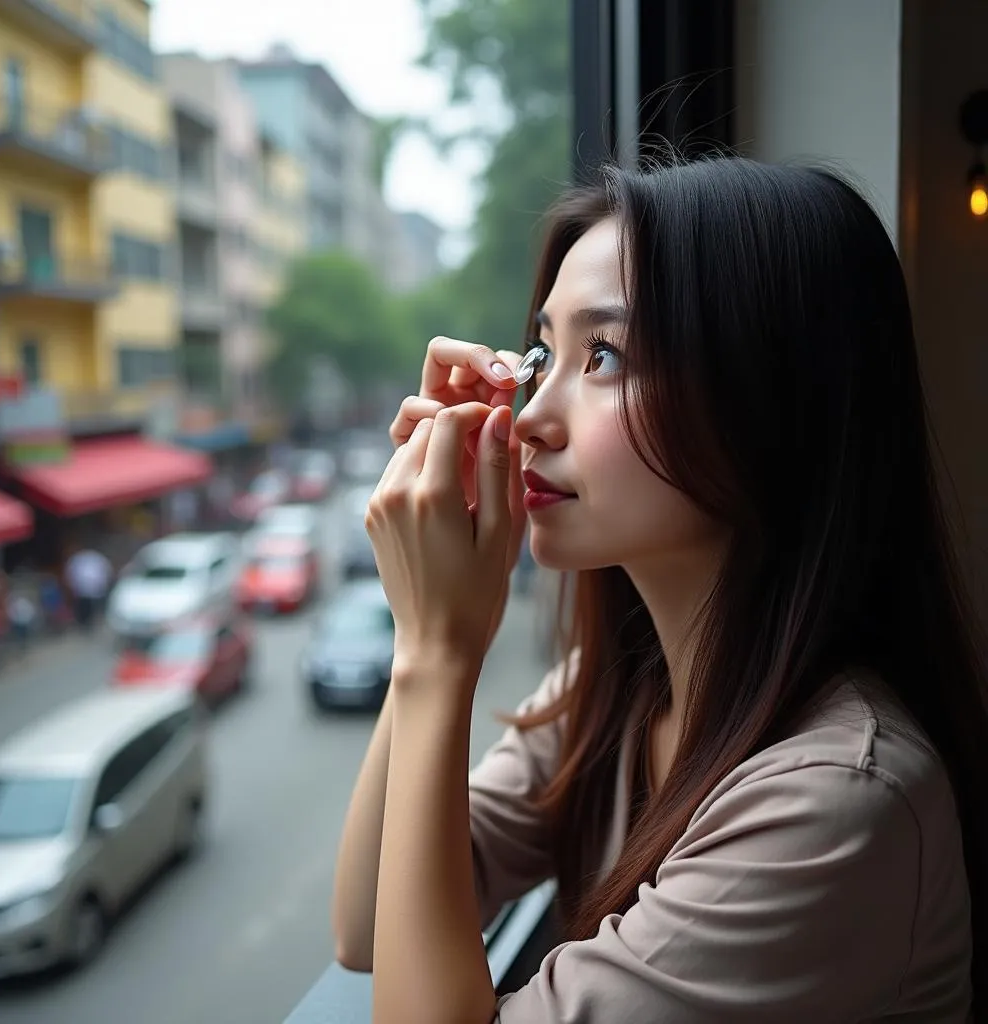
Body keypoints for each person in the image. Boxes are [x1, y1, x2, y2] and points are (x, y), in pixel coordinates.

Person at [332, 157, 988, 1024]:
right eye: (542, 353)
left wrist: (435, 651)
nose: (528, 418)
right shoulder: (619, 688)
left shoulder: (837, 801)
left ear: (769, 398)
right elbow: (367, 926)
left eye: (603, 355)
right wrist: (427, 648)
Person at [64, 546, 112, 631]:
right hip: (84, 589)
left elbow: (105, 572)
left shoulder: (94, 558)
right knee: (84, 608)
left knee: (92, 609)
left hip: (92, 589)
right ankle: (84, 624)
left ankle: (89, 624)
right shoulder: (79, 559)